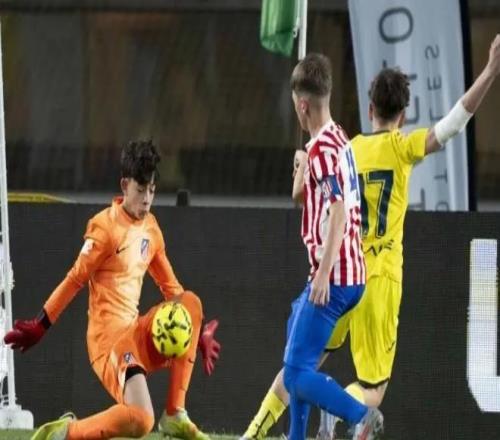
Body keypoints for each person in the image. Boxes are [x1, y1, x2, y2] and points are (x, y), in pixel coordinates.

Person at [242, 34, 500, 440]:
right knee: (373, 388)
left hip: (340, 269)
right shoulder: (402, 148)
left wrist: (302, 170)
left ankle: (254, 431)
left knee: (303, 363)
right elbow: (452, 125)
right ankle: (339, 413)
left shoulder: (349, 146)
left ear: (369, 108)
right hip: (378, 282)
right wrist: (490, 72)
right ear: (403, 114)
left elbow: (314, 198)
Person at [4, 140, 221, 440]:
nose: (147, 199)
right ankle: (67, 432)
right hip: (109, 344)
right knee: (141, 420)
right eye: (141, 189)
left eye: (152, 190)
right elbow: (74, 279)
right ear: (124, 185)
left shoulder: (151, 229)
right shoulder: (104, 228)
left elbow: (173, 291)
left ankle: (174, 413)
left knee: (191, 303)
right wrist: (41, 325)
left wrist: (196, 334)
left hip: (135, 332)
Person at [279, 52, 383, 440]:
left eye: (295, 102)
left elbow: (338, 211)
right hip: (351, 272)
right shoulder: (338, 138)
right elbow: (307, 198)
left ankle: (361, 415)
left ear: (302, 105)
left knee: (295, 372)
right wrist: (301, 170)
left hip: (335, 275)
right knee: (295, 335)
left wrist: (323, 274)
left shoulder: (322, 150)